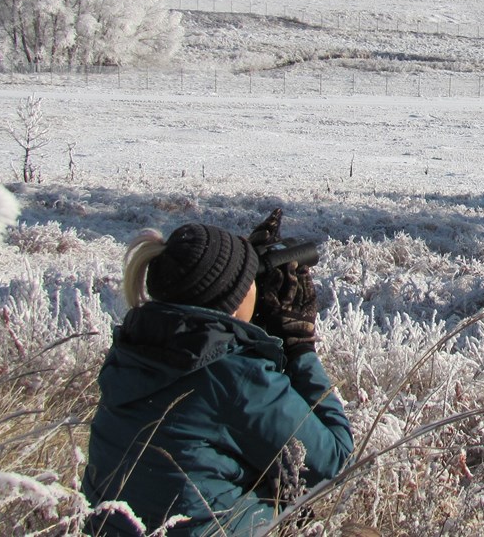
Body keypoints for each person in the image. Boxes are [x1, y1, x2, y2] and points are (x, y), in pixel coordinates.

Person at [83, 213, 352, 536]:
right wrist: (300, 347)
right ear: (235, 300)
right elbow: (333, 461)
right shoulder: (235, 375)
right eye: (250, 280)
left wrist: (247, 334)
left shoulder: (129, 351)